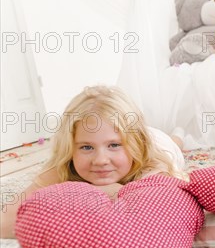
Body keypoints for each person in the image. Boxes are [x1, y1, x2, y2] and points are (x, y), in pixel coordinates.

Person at [1, 85, 186, 239]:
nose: (100, 160)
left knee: (173, 142)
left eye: (114, 145)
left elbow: (164, 221)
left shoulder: (154, 168)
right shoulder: (63, 168)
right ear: (70, 149)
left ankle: (179, 135)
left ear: (137, 145)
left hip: (160, 142)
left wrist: (116, 192)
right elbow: (5, 223)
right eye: (86, 147)